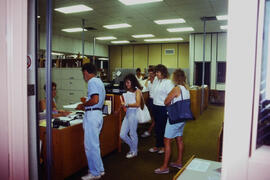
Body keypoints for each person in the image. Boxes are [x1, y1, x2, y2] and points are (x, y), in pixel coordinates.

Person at [154, 69, 190, 174]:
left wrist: (168, 100)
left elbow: (166, 101)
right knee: (179, 139)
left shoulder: (176, 89)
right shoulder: (186, 88)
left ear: (175, 78)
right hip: (182, 118)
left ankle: (165, 166)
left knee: (167, 140)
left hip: (174, 119)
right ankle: (179, 162)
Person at [77, 63, 106, 180]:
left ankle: (94, 173)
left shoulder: (92, 82)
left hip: (92, 114)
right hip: (98, 114)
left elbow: (95, 100)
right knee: (95, 145)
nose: (84, 76)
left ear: (86, 72)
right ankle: (100, 169)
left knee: (90, 146)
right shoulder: (99, 81)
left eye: (83, 73)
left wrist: (83, 105)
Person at [149, 64, 174, 154]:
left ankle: (163, 146)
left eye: (158, 72)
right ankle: (157, 145)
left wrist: (168, 107)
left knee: (163, 128)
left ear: (163, 72)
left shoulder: (168, 82)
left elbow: (170, 96)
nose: (156, 74)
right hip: (155, 106)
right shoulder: (156, 80)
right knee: (157, 128)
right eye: (156, 72)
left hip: (163, 108)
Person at [120, 73, 142, 158]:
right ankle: (133, 148)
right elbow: (126, 105)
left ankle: (134, 151)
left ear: (133, 82)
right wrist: (124, 106)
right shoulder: (127, 92)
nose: (127, 84)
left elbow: (137, 104)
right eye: (126, 82)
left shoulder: (137, 91)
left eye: (128, 82)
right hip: (128, 113)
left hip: (134, 114)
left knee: (132, 133)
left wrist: (126, 104)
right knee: (122, 134)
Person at [141, 66, 156, 138]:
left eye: (152, 74)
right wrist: (147, 80)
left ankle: (149, 131)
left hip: (156, 101)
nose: (150, 75)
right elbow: (145, 87)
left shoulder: (157, 81)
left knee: (155, 117)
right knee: (153, 117)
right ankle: (153, 128)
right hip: (150, 100)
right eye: (149, 74)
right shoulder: (149, 82)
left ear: (155, 74)